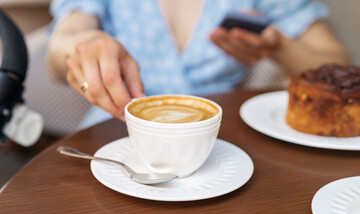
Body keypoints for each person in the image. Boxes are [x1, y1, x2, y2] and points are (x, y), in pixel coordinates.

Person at [48, 0, 348, 123]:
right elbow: (58, 52)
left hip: (221, 137)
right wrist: (84, 45)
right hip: (114, 132)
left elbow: (340, 64)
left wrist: (278, 46)